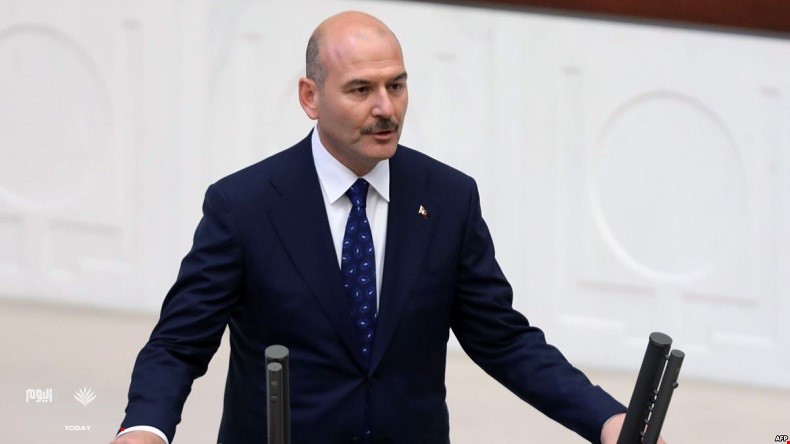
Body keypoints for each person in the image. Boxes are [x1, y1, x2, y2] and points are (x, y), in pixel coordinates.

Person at [113, 10, 657, 444]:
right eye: (360, 90)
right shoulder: (245, 205)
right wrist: (145, 428)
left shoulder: (447, 198)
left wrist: (606, 419)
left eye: (396, 86)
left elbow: (503, 339)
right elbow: (179, 344)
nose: (385, 108)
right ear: (310, 97)